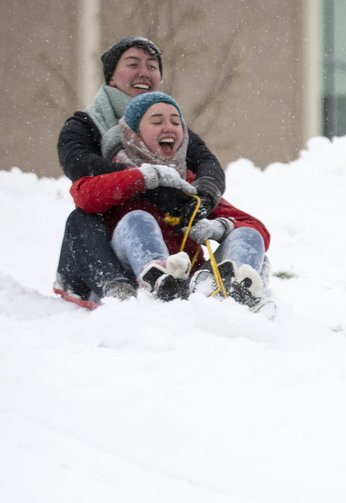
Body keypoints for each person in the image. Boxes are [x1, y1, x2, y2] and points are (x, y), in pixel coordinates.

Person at [54, 36, 226, 304]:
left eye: (152, 66)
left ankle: (171, 278)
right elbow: (79, 163)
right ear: (111, 77)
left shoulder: (173, 128)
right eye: (133, 64)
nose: (144, 72)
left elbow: (208, 165)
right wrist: (148, 184)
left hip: (157, 236)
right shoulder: (84, 124)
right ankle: (114, 287)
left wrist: (202, 198)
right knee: (82, 218)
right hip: (105, 238)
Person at [69, 91, 274, 315]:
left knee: (248, 234)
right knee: (138, 219)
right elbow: (83, 195)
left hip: (188, 285)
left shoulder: (187, 184)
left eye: (176, 122)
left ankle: (233, 291)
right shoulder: (116, 174)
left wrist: (220, 227)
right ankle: (158, 280)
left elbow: (256, 228)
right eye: (157, 121)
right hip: (130, 278)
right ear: (133, 133)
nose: (169, 127)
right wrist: (144, 178)